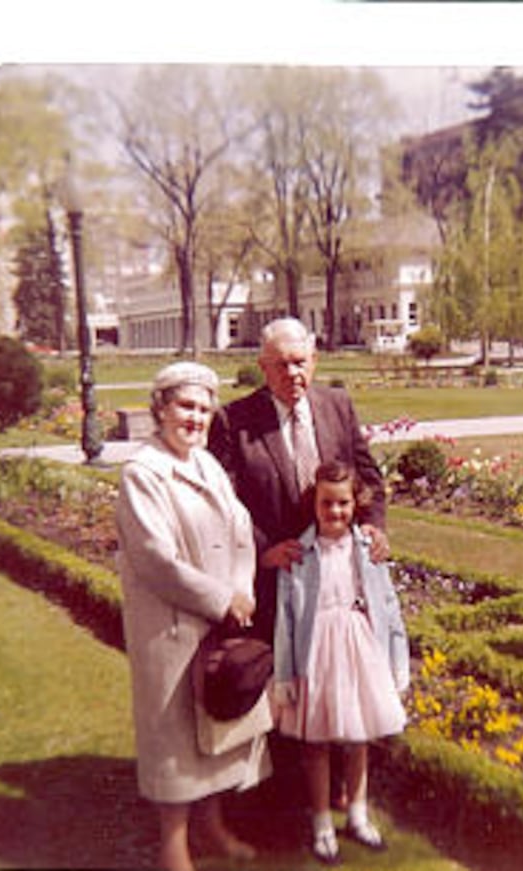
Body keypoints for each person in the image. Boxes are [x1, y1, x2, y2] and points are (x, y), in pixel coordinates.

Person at [116, 361, 271, 871]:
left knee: (215, 734)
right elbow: (156, 560)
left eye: (204, 409)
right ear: (159, 408)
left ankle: (213, 829)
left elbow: (243, 531)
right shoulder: (143, 473)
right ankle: (173, 847)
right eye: (186, 406)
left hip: (221, 619)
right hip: (172, 627)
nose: (196, 418)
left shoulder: (207, 465)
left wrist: (242, 589)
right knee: (174, 742)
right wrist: (219, 598)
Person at [207, 317, 389, 645]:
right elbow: (223, 506)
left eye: (299, 362)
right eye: (280, 365)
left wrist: (374, 525)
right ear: (263, 367)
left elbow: (368, 477)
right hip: (277, 581)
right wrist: (263, 553)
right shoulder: (234, 421)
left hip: (339, 577)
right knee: (287, 683)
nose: (292, 373)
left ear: (314, 360)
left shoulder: (337, 405)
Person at [272, 461, 409, 865]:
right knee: (316, 742)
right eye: (327, 504)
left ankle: (357, 813)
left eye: (343, 503)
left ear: (356, 503)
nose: (335, 512)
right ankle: (321, 823)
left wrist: (396, 661)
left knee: (357, 738)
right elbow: (286, 618)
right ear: (314, 504)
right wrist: (285, 674)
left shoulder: (367, 548)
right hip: (316, 652)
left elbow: (388, 606)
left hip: (358, 647)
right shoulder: (300, 553)